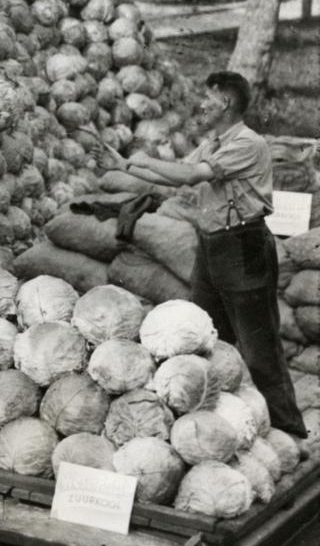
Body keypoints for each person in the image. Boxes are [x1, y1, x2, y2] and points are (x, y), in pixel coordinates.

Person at [118, 71, 307, 438]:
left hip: (242, 246)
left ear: (225, 102)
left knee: (258, 347)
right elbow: (176, 176)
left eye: (207, 97)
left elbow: (191, 176)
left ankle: (290, 429)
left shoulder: (248, 144)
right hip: (212, 246)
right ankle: (209, 412)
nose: (200, 104)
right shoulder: (213, 142)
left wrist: (142, 159)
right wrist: (127, 164)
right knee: (201, 334)